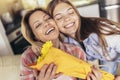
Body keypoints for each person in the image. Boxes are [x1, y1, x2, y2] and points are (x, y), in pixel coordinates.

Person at [20, 8, 102, 80]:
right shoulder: (28, 58)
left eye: (48, 18)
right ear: (34, 36)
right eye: (38, 25)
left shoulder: (76, 51)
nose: (46, 24)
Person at [47, 0, 120, 75]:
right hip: (104, 57)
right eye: (59, 18)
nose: (67, 19)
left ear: (77, 13)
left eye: (71, 12)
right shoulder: (67, 43)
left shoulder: (100, 29)